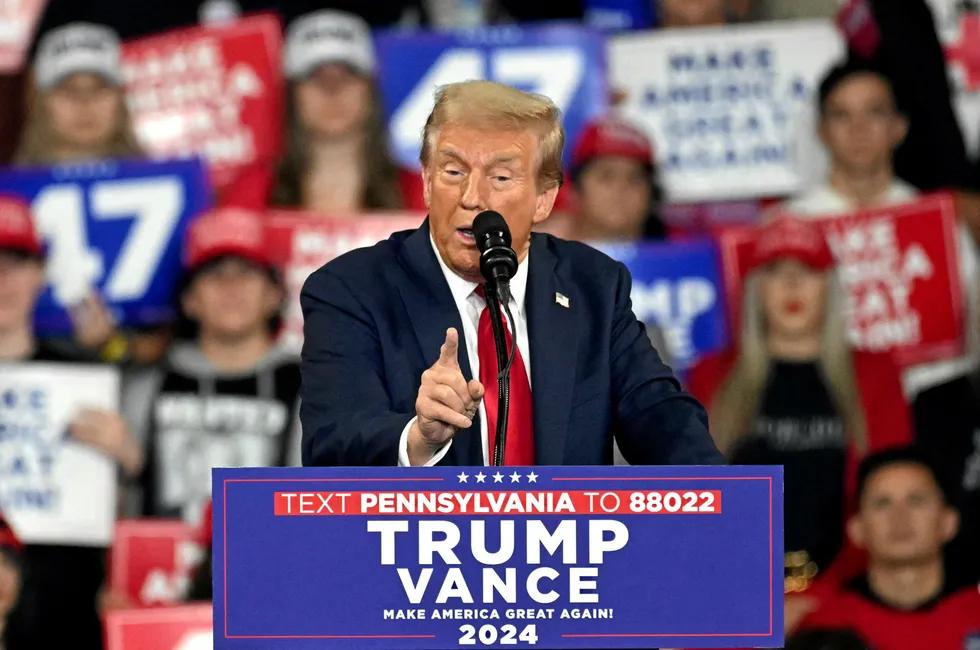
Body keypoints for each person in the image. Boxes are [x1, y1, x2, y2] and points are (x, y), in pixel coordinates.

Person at [299, 80, 722, 468]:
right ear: (427, 182)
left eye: (500, 177)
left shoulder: (593, 285)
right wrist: (418, 439)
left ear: (544, 199)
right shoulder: (350, 290)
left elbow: (659, 414)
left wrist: (728, 502)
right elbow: (332, 442)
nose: (472, 197)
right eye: (453, 172)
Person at [687, 217, 911, 593]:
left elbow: (891, 504)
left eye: (807, 270)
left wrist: (823, 600)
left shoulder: (874, 374)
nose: (792, 285)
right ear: (755, 289)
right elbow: (692, 501)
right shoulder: (711, 376)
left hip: (848, 595)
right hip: (734, 590)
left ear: (831, 285)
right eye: (775, 271)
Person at [779, 58, 980, 397]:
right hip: (830, 400)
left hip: (934, 399)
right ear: (821, 131)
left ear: (898, 127)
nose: (859, 129)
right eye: (842, 115)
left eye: (874, 112)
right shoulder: (791, 227)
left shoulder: (938, 221)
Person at [0, 195, 142, 650]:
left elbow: (129, 499)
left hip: (69, 600)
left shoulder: (87, 376)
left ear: (41, 276)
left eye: (16, 262)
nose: (2, 279)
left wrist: (130, 458)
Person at [123, 208, 303, 524]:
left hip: (271, 563)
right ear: (189, 299)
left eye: (246, 273)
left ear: (274, 294)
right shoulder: (145, 387)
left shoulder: (312, 389)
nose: (230, 288)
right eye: (214, 274)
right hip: (160, 568)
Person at [225, 10, 425, 213]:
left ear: (370, 90)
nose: (332, 89)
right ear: (291, 94)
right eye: (315, 77)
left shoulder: (420, 191)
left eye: (348, 75)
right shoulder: (253, 188)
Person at [794, 447, 980, 649]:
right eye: (882, 504)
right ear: (857, 529)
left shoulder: (974, 616)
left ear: (949, 522)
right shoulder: (824, 630)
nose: (899, 517)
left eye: (916, 501)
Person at [565, 117, 667, 242]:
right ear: (575, 190)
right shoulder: (541, 257)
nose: (621, 189)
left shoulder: (682, 254)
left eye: (634, 178)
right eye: (606, 176)